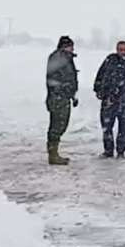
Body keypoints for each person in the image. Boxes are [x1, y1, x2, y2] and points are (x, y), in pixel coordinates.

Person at [93, 40, 125, 158]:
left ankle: (121, 151)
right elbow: (100, 76)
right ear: (116, 49)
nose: (122, 52)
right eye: (120, 49)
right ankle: (108, 150)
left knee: (123, 126)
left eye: (124, 49)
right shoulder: (109, 61)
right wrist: (98, 90)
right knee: (106, 126)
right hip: (109, 99)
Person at [45, 36, 79, 165]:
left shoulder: (66, 58)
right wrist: (63, 90)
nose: (72, 49)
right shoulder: (58, 58)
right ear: (64, 46)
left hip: (63, 97)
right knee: (57, 126)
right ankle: (53, 155)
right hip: (58, 98)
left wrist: (72, 94)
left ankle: (54, 153)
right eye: (70, 46)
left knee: (61, 125)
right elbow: (54, 79)